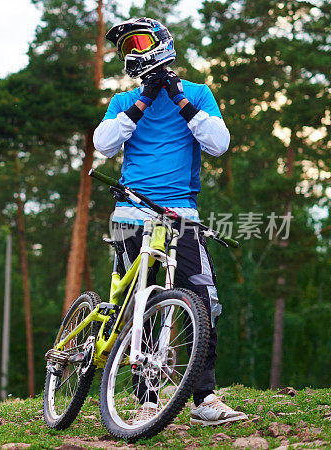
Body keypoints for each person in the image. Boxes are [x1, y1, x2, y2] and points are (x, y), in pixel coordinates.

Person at [93, 17, 248, 426]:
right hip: (130, 213)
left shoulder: (198, 94)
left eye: (139, 41)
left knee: (203, 301)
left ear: (161, 44)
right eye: (126, 45)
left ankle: (204, 400)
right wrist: (142, 102)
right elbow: (104, 144)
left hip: (182, 215)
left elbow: (219, 144)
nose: (132, 50)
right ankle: (146, 401)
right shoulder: (125, 101)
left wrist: (179, 98)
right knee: (141, 302)